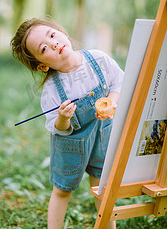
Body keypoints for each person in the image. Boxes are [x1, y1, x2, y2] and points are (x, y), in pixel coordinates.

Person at [11, 18, 124, 229]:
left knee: (102, 186)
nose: (53, 44)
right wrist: (63, 117)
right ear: (43, 65)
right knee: (62, 190)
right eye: (44, 48)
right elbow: (57, 126)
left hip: (102, 135)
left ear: (61, 32)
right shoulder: (52, 90)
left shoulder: (98, 59)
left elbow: (118, 82)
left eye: (52, 35)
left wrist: (112, 102)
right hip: (71, 145)